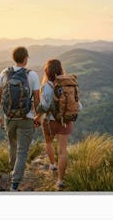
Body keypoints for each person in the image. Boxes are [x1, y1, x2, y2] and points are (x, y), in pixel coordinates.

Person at [0, 46, 40, 191]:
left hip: (9, 117)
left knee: (12, 145)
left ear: (14, 58)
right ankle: (15, 183)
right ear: (26, 59)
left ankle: (13, 172)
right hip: (26, 118)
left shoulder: (4, 73)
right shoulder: (32, 75)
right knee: (22, 150)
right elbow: (37, 100)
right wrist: (38, 116)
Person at [34, 59, 81, 191]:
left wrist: (38, 116)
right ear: (60, 70)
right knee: (62, 151)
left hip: (50, 122)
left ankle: (53, 165)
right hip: (66, 122)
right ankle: (60, 181)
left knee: (48, 143)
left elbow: (44, 106)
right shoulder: (68, 84)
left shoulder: (47, 86)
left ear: (47, 72)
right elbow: (79, 106)